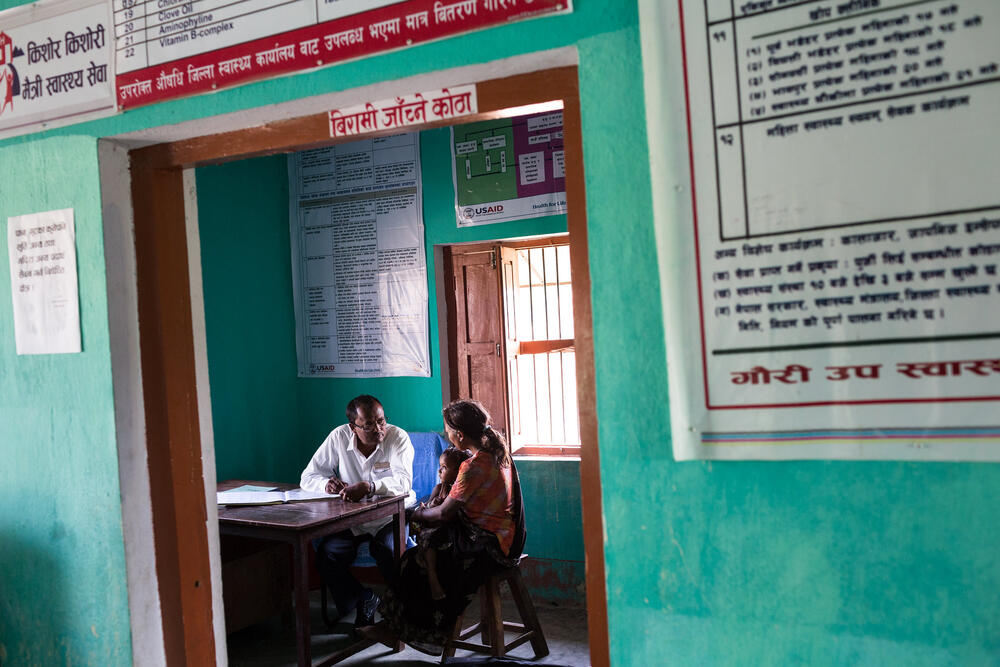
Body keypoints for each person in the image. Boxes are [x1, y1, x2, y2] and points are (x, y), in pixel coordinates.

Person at [361, 399, 526, 655]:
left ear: (459, 435)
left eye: (448, 432)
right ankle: (394, 630)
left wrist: (416, 513)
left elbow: (443, 513)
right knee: (422, 556)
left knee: (414, 562)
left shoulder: (474, 466)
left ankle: (403, 631)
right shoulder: (496, 452)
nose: (447, 436)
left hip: (489, 546)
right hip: (503, 538)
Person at [300, 394, 416, 631]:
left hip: (389, 515)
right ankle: (364, 600)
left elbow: (403, 483)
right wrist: (326, 485)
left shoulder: (397, 438)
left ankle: (404, 613)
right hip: (353, 518)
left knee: (388, 550)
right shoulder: (338, 437)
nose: (378, 429)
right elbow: (308, 476)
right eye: (369, 424)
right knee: (327, 555)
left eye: (381, 421)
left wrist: (370, 487)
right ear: (353, 427)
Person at [410, 446, 472, 600]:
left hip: (449, 530)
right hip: (432, 527)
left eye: (444, 468)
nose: (439, 471)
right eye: (439, 467)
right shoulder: (438, 489)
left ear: (459, 472)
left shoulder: (460, 490)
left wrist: (433, 511)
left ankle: (432, 577)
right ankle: (431, 575)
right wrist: (432, 505)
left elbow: (452, 515)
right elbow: (427, 507)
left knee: (432, 535)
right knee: (427, 532)